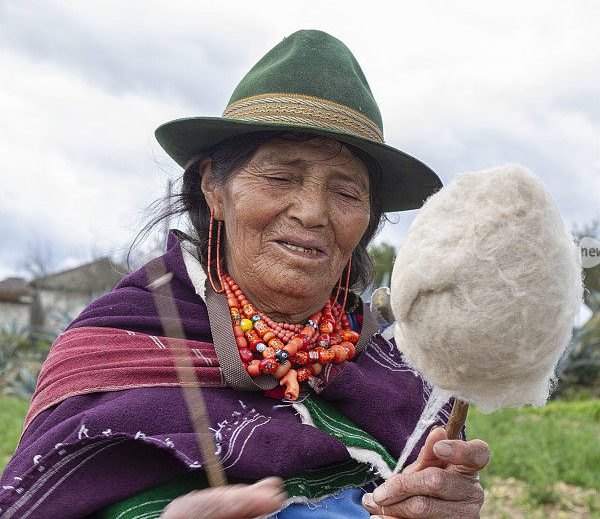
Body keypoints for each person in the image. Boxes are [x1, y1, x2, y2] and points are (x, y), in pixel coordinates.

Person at [0, 30, 489, 518]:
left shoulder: (398, 368)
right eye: (280, 177)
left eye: (346, 193)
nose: (313, 212)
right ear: (214, 186)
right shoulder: (117, 343)